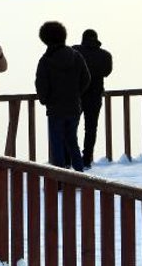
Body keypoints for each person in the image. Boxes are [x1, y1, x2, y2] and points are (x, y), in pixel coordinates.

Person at [35, 21, 90, 172]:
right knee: (72, 142)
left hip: (55, 109)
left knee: (57, 144)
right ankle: (80, 176)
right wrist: (76, 94)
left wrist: (46, 99)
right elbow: (86, 78)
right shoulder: (76, 56)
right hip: (74, 107)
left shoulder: (45, 60)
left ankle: (59, 180)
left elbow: (41, 84)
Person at [73, 29, 113, 169]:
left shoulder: (75, 52)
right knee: (91, 128)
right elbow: (107, 72)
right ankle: (87, 158)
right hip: (95, 96)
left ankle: (72, 157)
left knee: (72, 127)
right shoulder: (105, 55)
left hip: (77, 95)